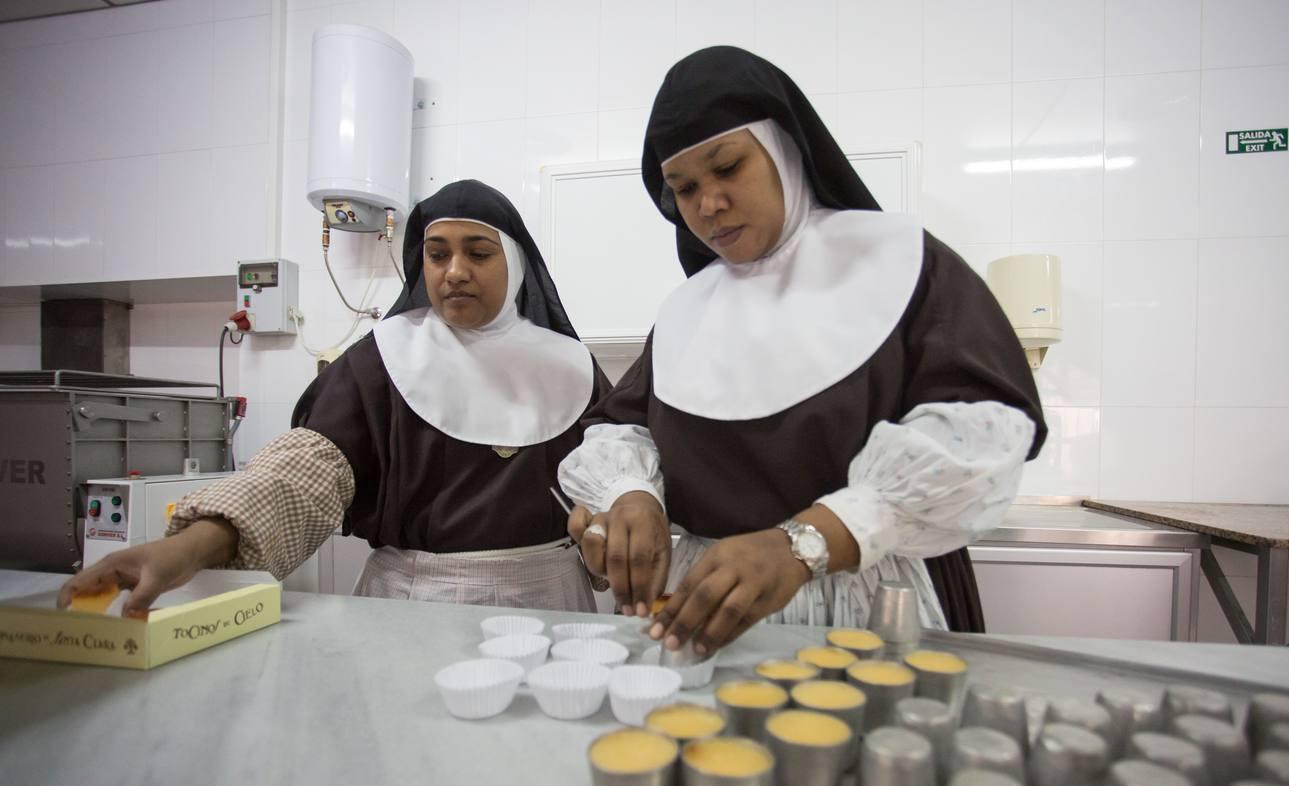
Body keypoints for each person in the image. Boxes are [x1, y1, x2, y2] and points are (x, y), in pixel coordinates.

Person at [558, 46, 1046, 655]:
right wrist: (629, 496)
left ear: (785, 150)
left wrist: (806, 541)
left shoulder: (903, 264)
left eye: (728, 167)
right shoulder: (687, 311)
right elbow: (624, 430)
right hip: (708, 613)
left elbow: (981, 432)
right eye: (683, 189)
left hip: (873, 605)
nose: (707, 205)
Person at [61, 180, 610, 615]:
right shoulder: (383, 359)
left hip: (549, 601)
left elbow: (615, 478)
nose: (454, 272)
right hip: (417, 606)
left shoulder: (569, 366)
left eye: (479, 253)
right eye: (437, 254)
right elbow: (303, 472)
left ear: (513, 263)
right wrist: (187, 547)